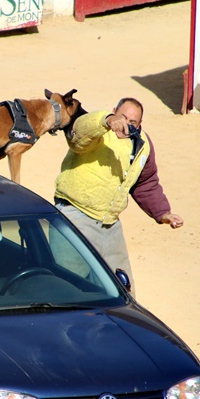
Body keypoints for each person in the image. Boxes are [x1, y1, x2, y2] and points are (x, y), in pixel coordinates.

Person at [53, 98, 182, 295]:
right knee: (67, 287)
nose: (126, 123)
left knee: (122, 289)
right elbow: (79, 133)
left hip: (110, 224)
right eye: (123, 116)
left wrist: (163, 212)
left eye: (133, 122)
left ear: (139, 125)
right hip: (76, 216)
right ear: (114, 111)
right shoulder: (98, 131)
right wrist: (106, 120)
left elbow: (145, 183)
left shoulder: (143, 144)